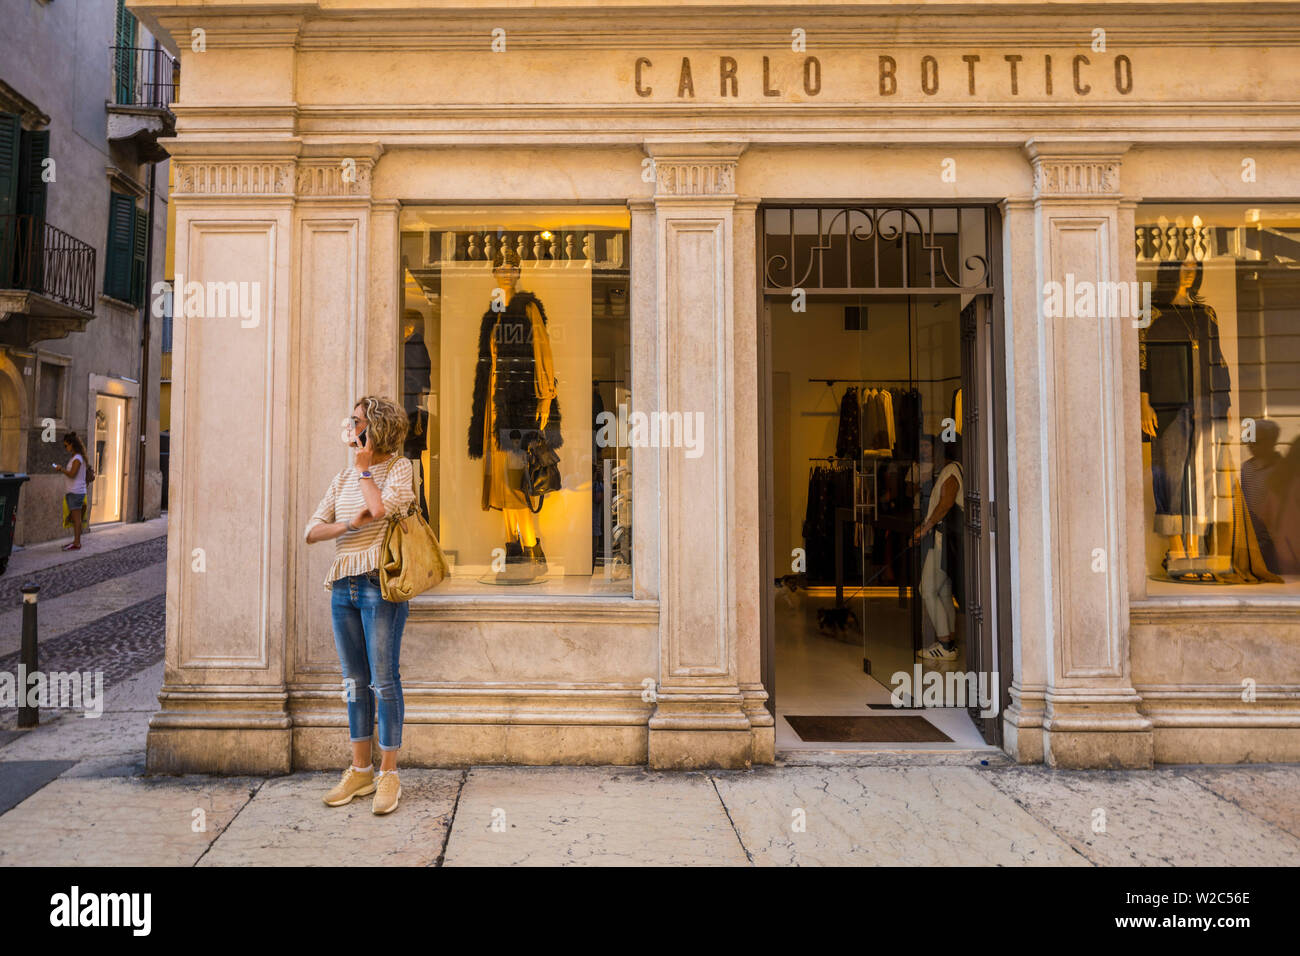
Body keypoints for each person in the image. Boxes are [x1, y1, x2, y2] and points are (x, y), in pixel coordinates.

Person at [305, 396, 416, 815]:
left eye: (356, 422)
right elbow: (312, 531)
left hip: (379, 587)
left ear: (376, 428)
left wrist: (365, 469)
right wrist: (349, 525)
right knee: (353, 680)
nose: (349, 428)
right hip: (343, 589)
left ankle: (389, 774)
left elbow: (382, 508)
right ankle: (360, 770)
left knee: (383, 681)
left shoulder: (399, 469)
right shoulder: (341, 477)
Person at [912, 436, 963, 661]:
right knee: (943, 592)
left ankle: (944, 644)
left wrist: (925, 528)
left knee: (927, 589)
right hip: (947, 541)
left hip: (943, 541)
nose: (928, 452)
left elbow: (946, 503)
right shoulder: (954, 469)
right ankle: (949, 641)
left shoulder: (950, 471)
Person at [53, 432, 92, 551]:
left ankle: (77, 543)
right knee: (76, 519)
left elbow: (72, 474)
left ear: (72, 444)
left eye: (66, 446)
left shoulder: (77, 458)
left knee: (76, 519)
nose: (66, 448)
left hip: (76, 492)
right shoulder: (78, 457)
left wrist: (61, 469)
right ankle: (76, 541)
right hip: (75, 492)